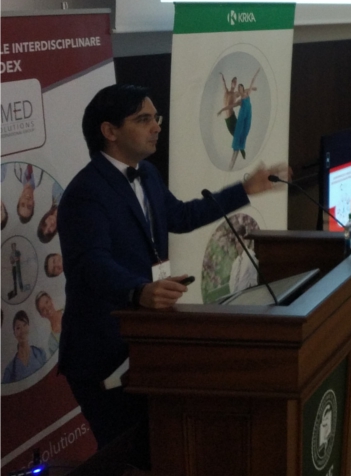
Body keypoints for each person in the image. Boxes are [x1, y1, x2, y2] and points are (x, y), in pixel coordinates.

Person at [57, 83, 288, 468]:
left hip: (145, 339)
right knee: (126, 453)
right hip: (102, 349)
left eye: (157, 118)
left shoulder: (146, 173)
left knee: (159, 447)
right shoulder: (86, 192)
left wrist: (244, 189)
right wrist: (138, 291)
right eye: (143, 119)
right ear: (109, 131)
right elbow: (90, 264)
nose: (156, 127)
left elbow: (180, 216)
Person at [218, 68, 260, 170]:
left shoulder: (237, 94)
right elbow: (223, 83)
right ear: (231, 82)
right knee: (235, 134)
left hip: (232, 117)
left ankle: (240, 149)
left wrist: (252, 88)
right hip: (227, 120)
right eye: (234, 81)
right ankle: (240, 148)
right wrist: (221, 76)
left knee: (238, 134)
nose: (235, 83)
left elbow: (244, 91)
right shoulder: (226, 91)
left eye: (236, 82)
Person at [2, 310, 47, 384]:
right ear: (14, 333)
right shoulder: (10, 370)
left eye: (25, 325)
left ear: (29, 326)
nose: (22, 331)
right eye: (18, 328)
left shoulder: (40, 354)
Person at [229, 225, 259, 294]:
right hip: (235, 297)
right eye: (236, 243)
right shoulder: (235, 263)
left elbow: (254, 282)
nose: (238, 245)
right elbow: (231, 283)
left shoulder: (250, 256)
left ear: (244, 240)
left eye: (239, 241)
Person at [35, 291, 63, 357]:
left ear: (51, 300)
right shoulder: (52, 341)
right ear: (42, 315)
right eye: (43, 309)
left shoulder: (69, 309)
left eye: (47, 302)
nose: (47, 308)